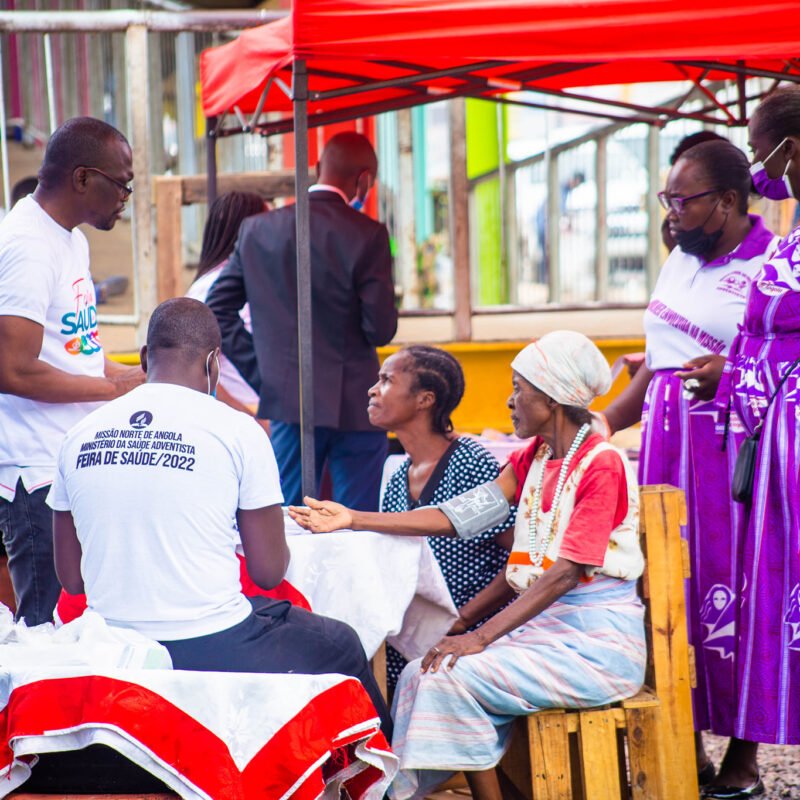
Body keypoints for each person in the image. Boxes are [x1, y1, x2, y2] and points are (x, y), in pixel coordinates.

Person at [291, 331, 645, 800]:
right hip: (545, 635)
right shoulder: (531, 459)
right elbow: (459, 516)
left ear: (554, 398)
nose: (510, 400)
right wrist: (354, 518)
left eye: (520, 388)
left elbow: (563, 573)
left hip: (597, 646)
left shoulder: (603, 464)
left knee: (450, 676)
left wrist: (478, 635)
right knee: (422, 671)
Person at [47, 297, 392, 737]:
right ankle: (388, 786)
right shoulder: (236, 430)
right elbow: (269, 572)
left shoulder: (78, 435)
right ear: (214, 363)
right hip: (210, 642)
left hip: (111, 642)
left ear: (145, 358)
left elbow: (72, 581)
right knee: (340, 642)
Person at [599, 139, 778, 792]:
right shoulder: (680, 255)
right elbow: (658, 359)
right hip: (667, 448)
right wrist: (604, 423)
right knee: (664, 587)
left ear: (728, 202)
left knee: (736, 590)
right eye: (665, 199)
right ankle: (684, 743)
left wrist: (735, 372)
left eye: (683, 201)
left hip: (734, 452)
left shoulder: (774, 264)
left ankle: (744, 756)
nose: (670, 214)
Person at [0, 116, 144, 626]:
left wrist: (133, 377)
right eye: (121, 183)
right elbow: (12, 370)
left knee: (84, 624)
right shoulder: (28, 246)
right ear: (83, 179)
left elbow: (77, 348)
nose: (126, 195)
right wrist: (110, 388)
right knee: (48, 630)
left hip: (68, 461)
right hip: (35, 476)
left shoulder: (70, 241)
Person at [698, 85, 800, 798]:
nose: (758, 164)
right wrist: (734, 372)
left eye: (760, 145)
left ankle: (744, 760)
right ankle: (746, 758)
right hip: (768, 455)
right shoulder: (793, 232)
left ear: (789, 149)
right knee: (768, 602)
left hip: (791, 448)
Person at [207, 131, 398, 510]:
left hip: (287, 402)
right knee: (355, 522)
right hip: (356, 403)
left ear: (316, 169)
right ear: (363, 180)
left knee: (284, 517)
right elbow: (380, 328)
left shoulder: (258, 229)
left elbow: (218, 310)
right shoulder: (368, 234)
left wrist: (266, 375)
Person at [371, 345, 516, 686]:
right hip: (417, 638)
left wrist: (464, 621)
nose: (373, 390)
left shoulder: (469, 462)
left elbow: (520, 559)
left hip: (476, 638)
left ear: (425, 400)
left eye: (387, 380)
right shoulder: (396, 479)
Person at [185, 191, 266, 417]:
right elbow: (194, 373)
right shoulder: (209, 289)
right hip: (245, 416)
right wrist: (251, 419)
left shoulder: (243, 279)